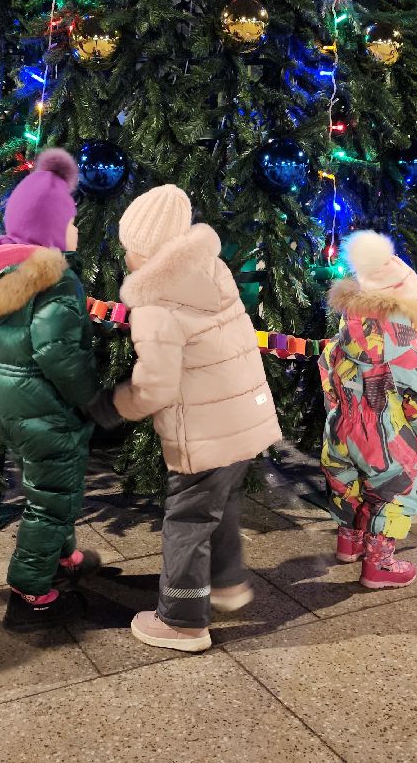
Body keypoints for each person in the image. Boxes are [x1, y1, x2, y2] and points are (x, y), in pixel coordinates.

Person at [90, 184, 282, 654]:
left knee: (188, 518)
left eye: (130, 246)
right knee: (220, 501)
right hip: (243, 418)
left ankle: (181, 620)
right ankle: (227, 583)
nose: (126, 256)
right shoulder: (211, 271)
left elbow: (156, 385)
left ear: (147, 250)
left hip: (203, 429)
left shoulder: (156, 305)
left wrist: (115, 406)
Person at [0, 148, 102, 631]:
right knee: (52, 496)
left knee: (53, 487)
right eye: (70, 220)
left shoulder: (0, 267)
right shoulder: (54, 282)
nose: (75, 228)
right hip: (47, 408)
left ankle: (62, 555)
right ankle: (31, 587)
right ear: (51, 228)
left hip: (13, 405)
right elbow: (59, 354)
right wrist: (92, 398)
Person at [320, 230, 417, 590]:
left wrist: (339, 414)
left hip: (341, 429)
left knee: (347, 485)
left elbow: (328, 382)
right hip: (385, 438)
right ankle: (379, 565)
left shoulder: (341, 340)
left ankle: (349, 543)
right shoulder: (405, 351)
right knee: (395, 491)